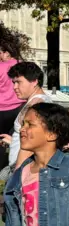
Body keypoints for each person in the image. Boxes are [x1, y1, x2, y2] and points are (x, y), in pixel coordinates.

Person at [1, 62, 51, 171]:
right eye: (14, 82)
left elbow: (32, 143)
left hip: (24, 170)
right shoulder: (34, 102)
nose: (14, 87)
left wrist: (18, 174)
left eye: (18, 82)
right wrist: (14, 140)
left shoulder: (36, 105)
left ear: (34, 81)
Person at [0, 41, 25, 171]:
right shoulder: (20, 65)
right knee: (15, 139)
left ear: (6, 53)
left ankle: (2, 168)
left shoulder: (1, 67)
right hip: (18, 107)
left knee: (1, 141)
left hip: (2, 108)